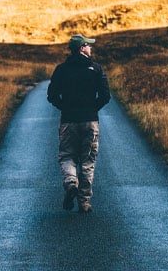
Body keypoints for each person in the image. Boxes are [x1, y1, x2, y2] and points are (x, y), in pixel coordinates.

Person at [47, 34, 110, 213]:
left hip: (68, 120)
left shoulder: (61, 69)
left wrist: (64, 107)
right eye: (88, 46)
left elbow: (51, 95)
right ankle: (84, 202)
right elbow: (106, 96)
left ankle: (70, 183)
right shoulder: (96, 68)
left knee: (67, 156)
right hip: (90, 121)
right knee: (88, 160)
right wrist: (93, 109)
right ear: (82, 48)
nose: (91, 48)